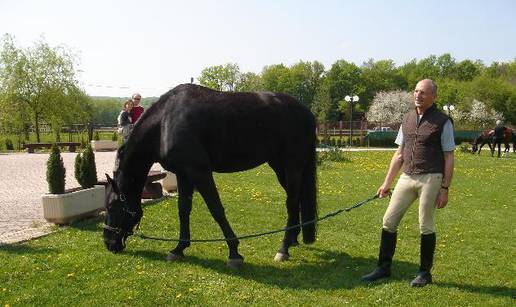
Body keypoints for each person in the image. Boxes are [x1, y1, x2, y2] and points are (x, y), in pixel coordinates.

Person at [361, 79, 455, 287]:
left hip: (431, 177)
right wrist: (386, 184)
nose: (417, 95)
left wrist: (445, 188)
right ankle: (383, 268)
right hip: (407, 177)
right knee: (388, 221)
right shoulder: (408, 119)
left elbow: (449, 156)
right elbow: (399, 154)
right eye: (415, 91)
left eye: (423, 92)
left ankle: (424, 273)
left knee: (425, 224)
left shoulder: (443, 121)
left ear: (434, 97)